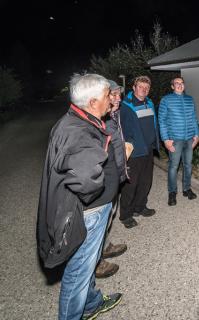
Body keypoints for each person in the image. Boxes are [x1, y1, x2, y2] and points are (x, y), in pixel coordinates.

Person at [37, 74, 122, 320]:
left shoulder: (79, 120)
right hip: (89, 212)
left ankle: (91, 303)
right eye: (108, 95)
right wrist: (102, 175)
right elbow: (85, 179)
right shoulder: (78, 131)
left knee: (89, 262)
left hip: (94, 209)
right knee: (78, 272)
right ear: (94, 100)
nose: (112, 100)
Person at [95, 80, 131, 279]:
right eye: (113, 95)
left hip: (116, 171)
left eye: (119, 95)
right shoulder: (100, 120)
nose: (117, 98)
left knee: (109, 214)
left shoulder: (114, 115)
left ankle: (104, 245)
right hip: (104, 177)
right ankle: (96, 262)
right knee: (100, 217)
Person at [119, 76, 159, 228]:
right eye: (141, 87)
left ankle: (140, 207)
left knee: (146, 181)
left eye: (146, 87)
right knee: (130, 185)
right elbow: (120, 129)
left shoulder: (149, 103)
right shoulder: (125, 106)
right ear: (134, 88)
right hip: (134, 151)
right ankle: (125, 215)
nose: (144, 90)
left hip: (148, 149)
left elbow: (153, 124)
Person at [159, 76, 199, 206]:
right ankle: (172, 193)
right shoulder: (166, 100)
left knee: (188, 165)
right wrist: (166, 140)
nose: (179, 85)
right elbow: (162, 121)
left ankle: (187, 189)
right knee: (173, 167)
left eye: (181, 83)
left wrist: (197, 134)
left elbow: (194, 118)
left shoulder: (189, 99)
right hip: (175, 139)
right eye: (176, 83)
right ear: (172, 86)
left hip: (189, 139)